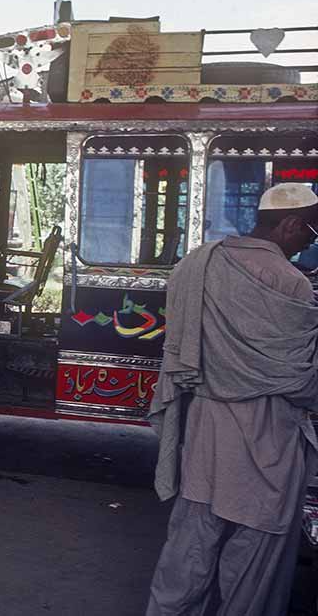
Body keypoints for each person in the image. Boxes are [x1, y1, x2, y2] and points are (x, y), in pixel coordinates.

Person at [146, 182, 318, 615]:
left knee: (190, 547)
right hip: (268, 442)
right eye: (311, 232)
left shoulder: (199, 263)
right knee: (253, 559)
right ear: (290, 224)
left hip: (207, 435)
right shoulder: (292, 283)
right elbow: (303, 380)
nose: (308, 243)